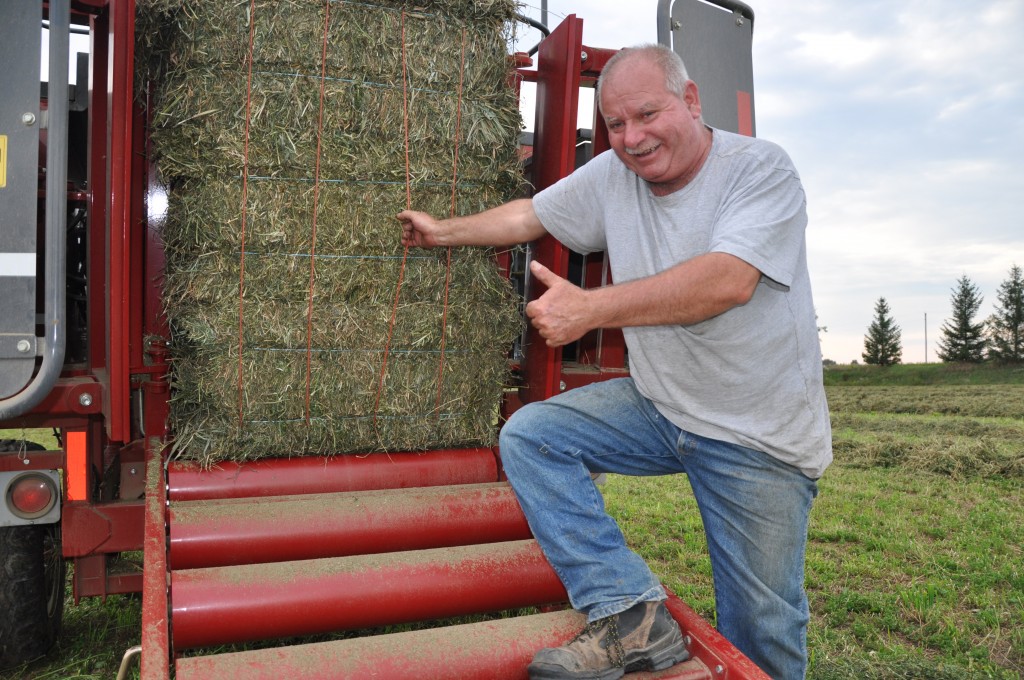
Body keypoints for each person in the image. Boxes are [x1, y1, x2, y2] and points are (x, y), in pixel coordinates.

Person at [397, 43, 831, 680]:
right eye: (617, 124)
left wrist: (592, 308)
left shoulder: (759, 170)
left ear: (689, 101)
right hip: (661, 407)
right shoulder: (612, 175)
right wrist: (443, 231)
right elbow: (531, 213)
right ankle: (632, 614)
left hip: (755, 434)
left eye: (647, 115)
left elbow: (727, 281)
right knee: (534, 438)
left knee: (760, 630)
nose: (632, 137)